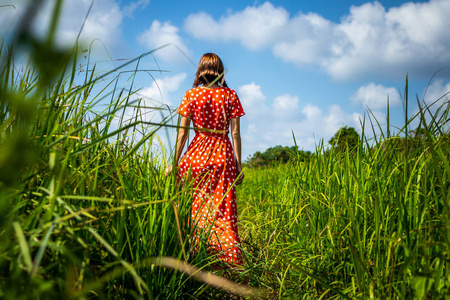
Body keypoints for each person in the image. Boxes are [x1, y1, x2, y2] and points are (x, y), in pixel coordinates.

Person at [166, 53, 245, 267]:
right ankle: (227, 261)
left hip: (196, 155)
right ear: (219, 70)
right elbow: (235, 133)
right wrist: (238, 165)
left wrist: (173, 162)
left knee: (196, 207)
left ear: (200, 70)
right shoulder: (230, 95)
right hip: (223, 155)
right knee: (223, 210)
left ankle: (197, 258)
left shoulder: (191, 95)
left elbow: (182, 133)